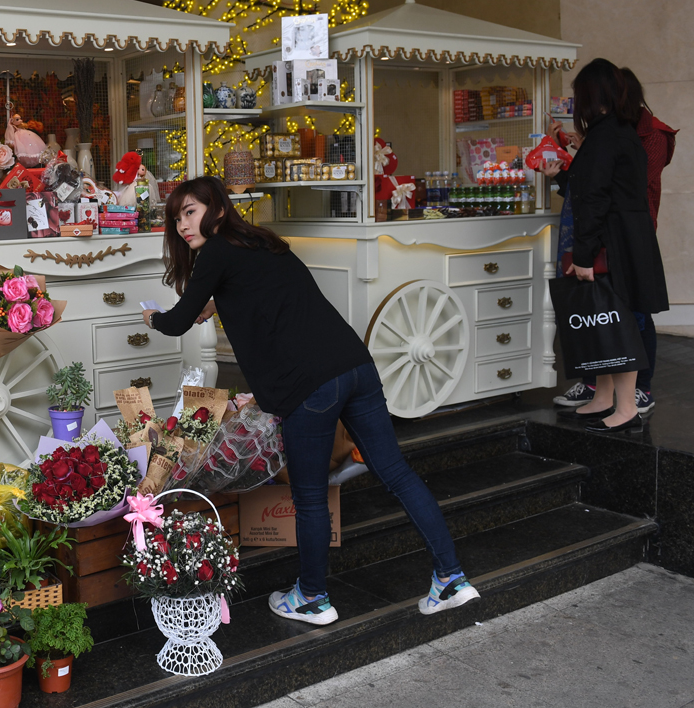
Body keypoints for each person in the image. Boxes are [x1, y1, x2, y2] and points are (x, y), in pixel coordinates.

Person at [141, 176, 480, 625]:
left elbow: (180, 321)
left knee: (311, 498)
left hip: (309, 386)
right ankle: (451, 578)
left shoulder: (216, 251)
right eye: (177, 216)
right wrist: (214, 305)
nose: (184, 224)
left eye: (191, 211)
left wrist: (153, 317)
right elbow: (265, 300)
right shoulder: (263, 243)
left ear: (218, 210)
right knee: (396, 472)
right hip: (354, 366)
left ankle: (313, 598)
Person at [540, 59, 669, 431]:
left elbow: (594, 200)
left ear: (591, 97)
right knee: (608, 323)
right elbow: (593, 188)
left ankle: (626, 407)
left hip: (615, 245)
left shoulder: (604, 136)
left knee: (618, 324)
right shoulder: (618, 131)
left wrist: (582, 257)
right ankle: (603, 397)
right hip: (626, 240)